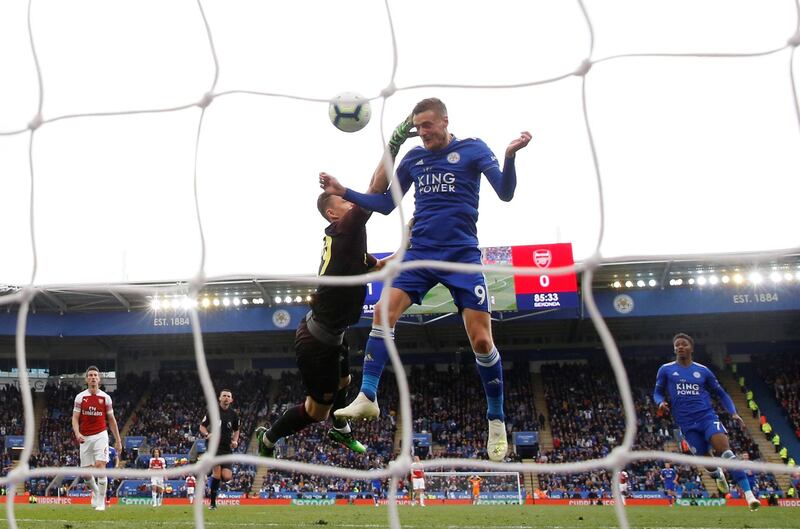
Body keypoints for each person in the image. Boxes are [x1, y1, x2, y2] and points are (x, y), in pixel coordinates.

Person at [325, 97, 532, 461]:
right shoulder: (413, 159)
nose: (422, 134)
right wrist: (346, 193)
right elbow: (388, 204)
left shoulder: (473, 150)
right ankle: (367, 397)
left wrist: (511, 156)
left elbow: (506, 192)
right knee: (382, 313)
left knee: (482, 341)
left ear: (444, 121)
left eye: (427, 126)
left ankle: (496, 419)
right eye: (417, 128)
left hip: (462, 256)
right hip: (419, 254)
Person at [654, 333, 761, 510]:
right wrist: (660, 402)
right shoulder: (665, 369)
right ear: (674, 349)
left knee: (726, 453)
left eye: (684, 344)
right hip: (686, 424)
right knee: (708, 464)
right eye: (677, 345)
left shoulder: (703, 371)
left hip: (707, 418)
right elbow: (657, 392)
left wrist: (733, 413)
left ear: (691, 348)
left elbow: (721, 394)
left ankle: (750, 496)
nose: (680, 347)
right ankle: (717, 474)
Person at [71, 365, 122, 512]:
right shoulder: (80, 397)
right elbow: (74, 418)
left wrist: (118, 440)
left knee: (100, 466)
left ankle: (101, 502)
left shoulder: (105, 398)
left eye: (95, 375)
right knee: (86, 474)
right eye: (90, 375)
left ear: (99, 379)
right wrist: (77, 433)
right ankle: (95, 491)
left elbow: (112, 420)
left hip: (101, 435)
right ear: (86, 379)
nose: (93, 377)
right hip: (85, 437)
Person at [199, 389, 240, 510]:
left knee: (226, 477)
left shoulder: (234, 414)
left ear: (231, 400)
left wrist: (235, 441)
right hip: (214, 447)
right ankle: (212, 503)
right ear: (220, 398)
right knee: (217, 473)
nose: (226, 398)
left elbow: (236, 430)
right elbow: (202, 426)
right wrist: (207, 434)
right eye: (224, 396)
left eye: (228, 396)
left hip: (226, 448)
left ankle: (211, 475)